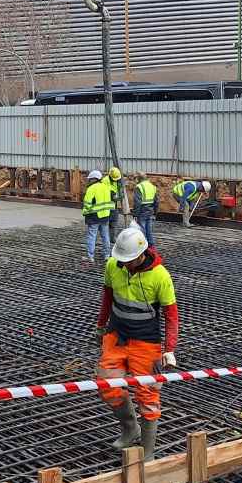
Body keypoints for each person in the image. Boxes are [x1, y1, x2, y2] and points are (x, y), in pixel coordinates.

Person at [95, 227, 178, 461]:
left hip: (146, 342)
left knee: (148, 395)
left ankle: (148, 452)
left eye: (129, 261)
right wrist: (101, 326)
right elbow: (107, 298)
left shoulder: (160, 276)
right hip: (116, 335)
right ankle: (131, 429)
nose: (125, 265)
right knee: (107, 383)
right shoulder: (113, 265)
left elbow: (171, 315)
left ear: (141, 254)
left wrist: (170, 349)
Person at [82, 170, 114, 263]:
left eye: (90, 179)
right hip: (105, 216)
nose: (89, 181)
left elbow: (87, 203)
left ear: (93, 179)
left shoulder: (91, 188)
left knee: (92, 236)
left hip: (94, 216)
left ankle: (90, 256)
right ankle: (107, 255)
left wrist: (85, 212)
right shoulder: (106, 187)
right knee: (105, 236)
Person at [131, 173, 160, 247]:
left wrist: (135, 214)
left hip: (142, 211)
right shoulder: (152, 187)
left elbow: (137, 202)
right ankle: (151, 247)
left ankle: (143, 248)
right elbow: (157, 201)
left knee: (142, 232)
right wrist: (155, 212)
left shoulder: (139, 187)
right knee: (149, 231)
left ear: (139, 179)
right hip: (150, 211)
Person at [103, 167, 124, 240]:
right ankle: (107, 239)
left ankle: (112, 238)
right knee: (106, 223)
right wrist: (119, 197)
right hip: (106, 205)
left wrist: (120, 188)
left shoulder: (115, 180)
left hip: (113, 205)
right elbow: (110, 195)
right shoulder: (105, 181)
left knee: (114, 222)